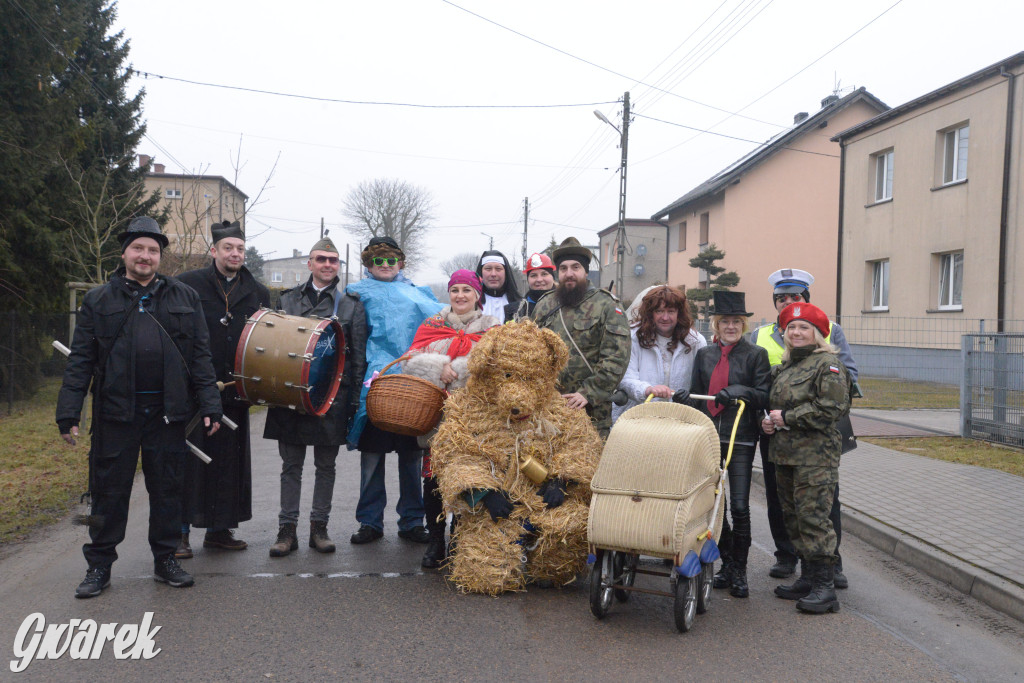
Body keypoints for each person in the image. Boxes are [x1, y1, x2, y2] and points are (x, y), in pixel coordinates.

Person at [56, 216, 222, 598]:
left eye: (152, 250)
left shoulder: (184, 297)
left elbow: (200, 356)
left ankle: (165, 559)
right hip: (116, 413)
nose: (145, 256)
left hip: (168, 414)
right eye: (139, 249)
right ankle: (99, 565)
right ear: (125, 252)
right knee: (108, 492)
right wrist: (68, 412)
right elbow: (81, 360)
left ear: (160, 255)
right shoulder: (99, 299)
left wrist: (210, 404)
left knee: (167, 490)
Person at [751, 268, 858, 588]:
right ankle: (795, 562)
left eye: (794, 298)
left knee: (819, 508)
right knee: (785, 504)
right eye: (781, 299)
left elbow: (844, 385)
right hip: (779, 441)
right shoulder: (762, 336)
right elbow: (759, 386)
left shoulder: (829, 340)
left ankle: (827, 571)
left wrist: (794, 411)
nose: (787, 304)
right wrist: (765, 419)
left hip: (815, 442)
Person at [262, 237, 367, 557]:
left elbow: (358, 359)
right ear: (309, 263)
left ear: (338, 266)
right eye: (321, 259)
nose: (327, 265)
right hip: (290, 397)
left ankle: (319, 529)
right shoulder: (287, 301)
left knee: (326, 466)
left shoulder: (352, 305)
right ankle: (286, 530)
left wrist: (353, 405)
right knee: (290, 466)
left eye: (333, 261)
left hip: (331, 399)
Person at [176, 220, 270, 558]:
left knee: (228, 464)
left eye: (240, 249)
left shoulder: (258, 291)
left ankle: (219, 531)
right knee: (189, 462)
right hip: (195, 388)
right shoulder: (186, 285)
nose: (235, 254)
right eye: (228, 248)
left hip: (234, 390)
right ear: (214, 251)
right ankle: (179, 533)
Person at [673, 290, 770, 598]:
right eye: (725, 321)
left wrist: (739, 390)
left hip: (739, 438)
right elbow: (698, 392)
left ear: (743, 324)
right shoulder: (705, 355)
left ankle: (740, 571)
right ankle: (726, 564)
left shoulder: (755, 355)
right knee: (714, 506)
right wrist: (685, 399)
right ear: (716, 325)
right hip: (708, 438)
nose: (731, 326)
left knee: (739, 505)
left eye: (737, 321)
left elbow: (764, 394)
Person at [347, 236, 443, 544]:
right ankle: (370, 522)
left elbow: (440, 319)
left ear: (400, 263)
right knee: (372, 455)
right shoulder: (355, 295)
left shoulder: (416, 293)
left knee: (410, 457)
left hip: (411, 384)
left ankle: (412, 520)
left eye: (391, 261)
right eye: (379, 261)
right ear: (368, 264)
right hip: (373, 384)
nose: (386, 266)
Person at [401, 269, 499, 568]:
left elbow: (499, 364)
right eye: (455, 290)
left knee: (468, 476)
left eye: (466, 291)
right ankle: (435, 539)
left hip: (474, 416)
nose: (460, 296)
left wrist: (464, 371)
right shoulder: (433, 324)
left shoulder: (492, 327)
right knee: (433, 479)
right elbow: (409, 359)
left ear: (477, 295)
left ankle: (458, 536)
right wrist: (438, 365)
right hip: (436, 416)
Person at [533, 236, 630, 438]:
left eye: (575, 267)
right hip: (548, 409)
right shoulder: (544, 305)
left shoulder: (607, 305)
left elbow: (616, 358)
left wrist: (588, 393)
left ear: (586, 271)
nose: (569, 273)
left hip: (591, 412)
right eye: (563, 268)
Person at [614, 285, 706, 422]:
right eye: (659, 311)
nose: (665, 317)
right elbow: (625, 379)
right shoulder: (633, 337)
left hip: (678, 420)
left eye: (671, 311)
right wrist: (648, 389)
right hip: (637, 418)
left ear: (679, 313)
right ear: (650, 313)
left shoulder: (695, 341)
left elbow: (701, 383)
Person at [505, 252, 556, 322]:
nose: (539, 279)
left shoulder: (565, 306)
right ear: (528, 279)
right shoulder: (515, 311)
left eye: (544, 274)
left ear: (553, 278)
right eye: (533, 275)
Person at [476, 250, 522, 322]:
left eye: (498, 269)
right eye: (488, 269)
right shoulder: (473, 304)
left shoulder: (520, 306)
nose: (493, 274)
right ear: (481, 272)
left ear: (506, 273)